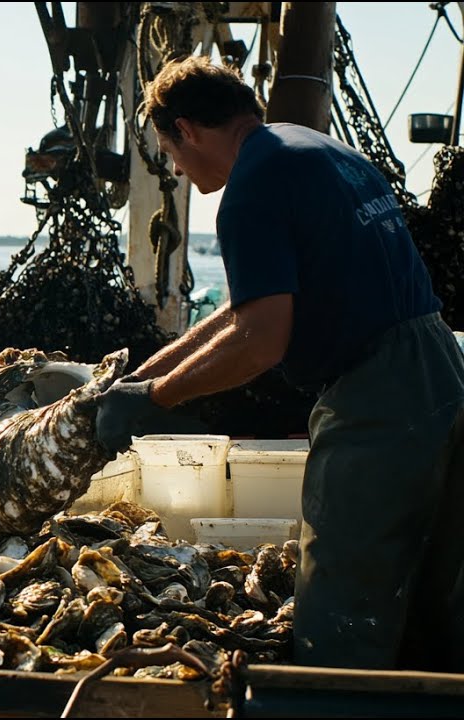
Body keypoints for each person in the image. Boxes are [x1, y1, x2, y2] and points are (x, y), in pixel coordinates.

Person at [95, 56, 464, 672]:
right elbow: (248, 307)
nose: (177, 171)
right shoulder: (319, 152)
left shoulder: (253, 188)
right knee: (435, 591)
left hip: (379, 399)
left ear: (186, 129)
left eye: (169, 152)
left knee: (343, 602)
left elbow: (261, 341)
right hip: (443, 376)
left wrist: (157, 401)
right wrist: (141, 379)